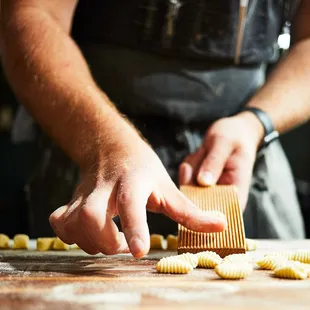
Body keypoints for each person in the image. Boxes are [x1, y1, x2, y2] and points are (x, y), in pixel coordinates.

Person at [0, 0, 308, 258]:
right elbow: (31, 14)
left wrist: (256, 122)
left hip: (248, 154)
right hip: (91, 141)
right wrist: (105, 142)